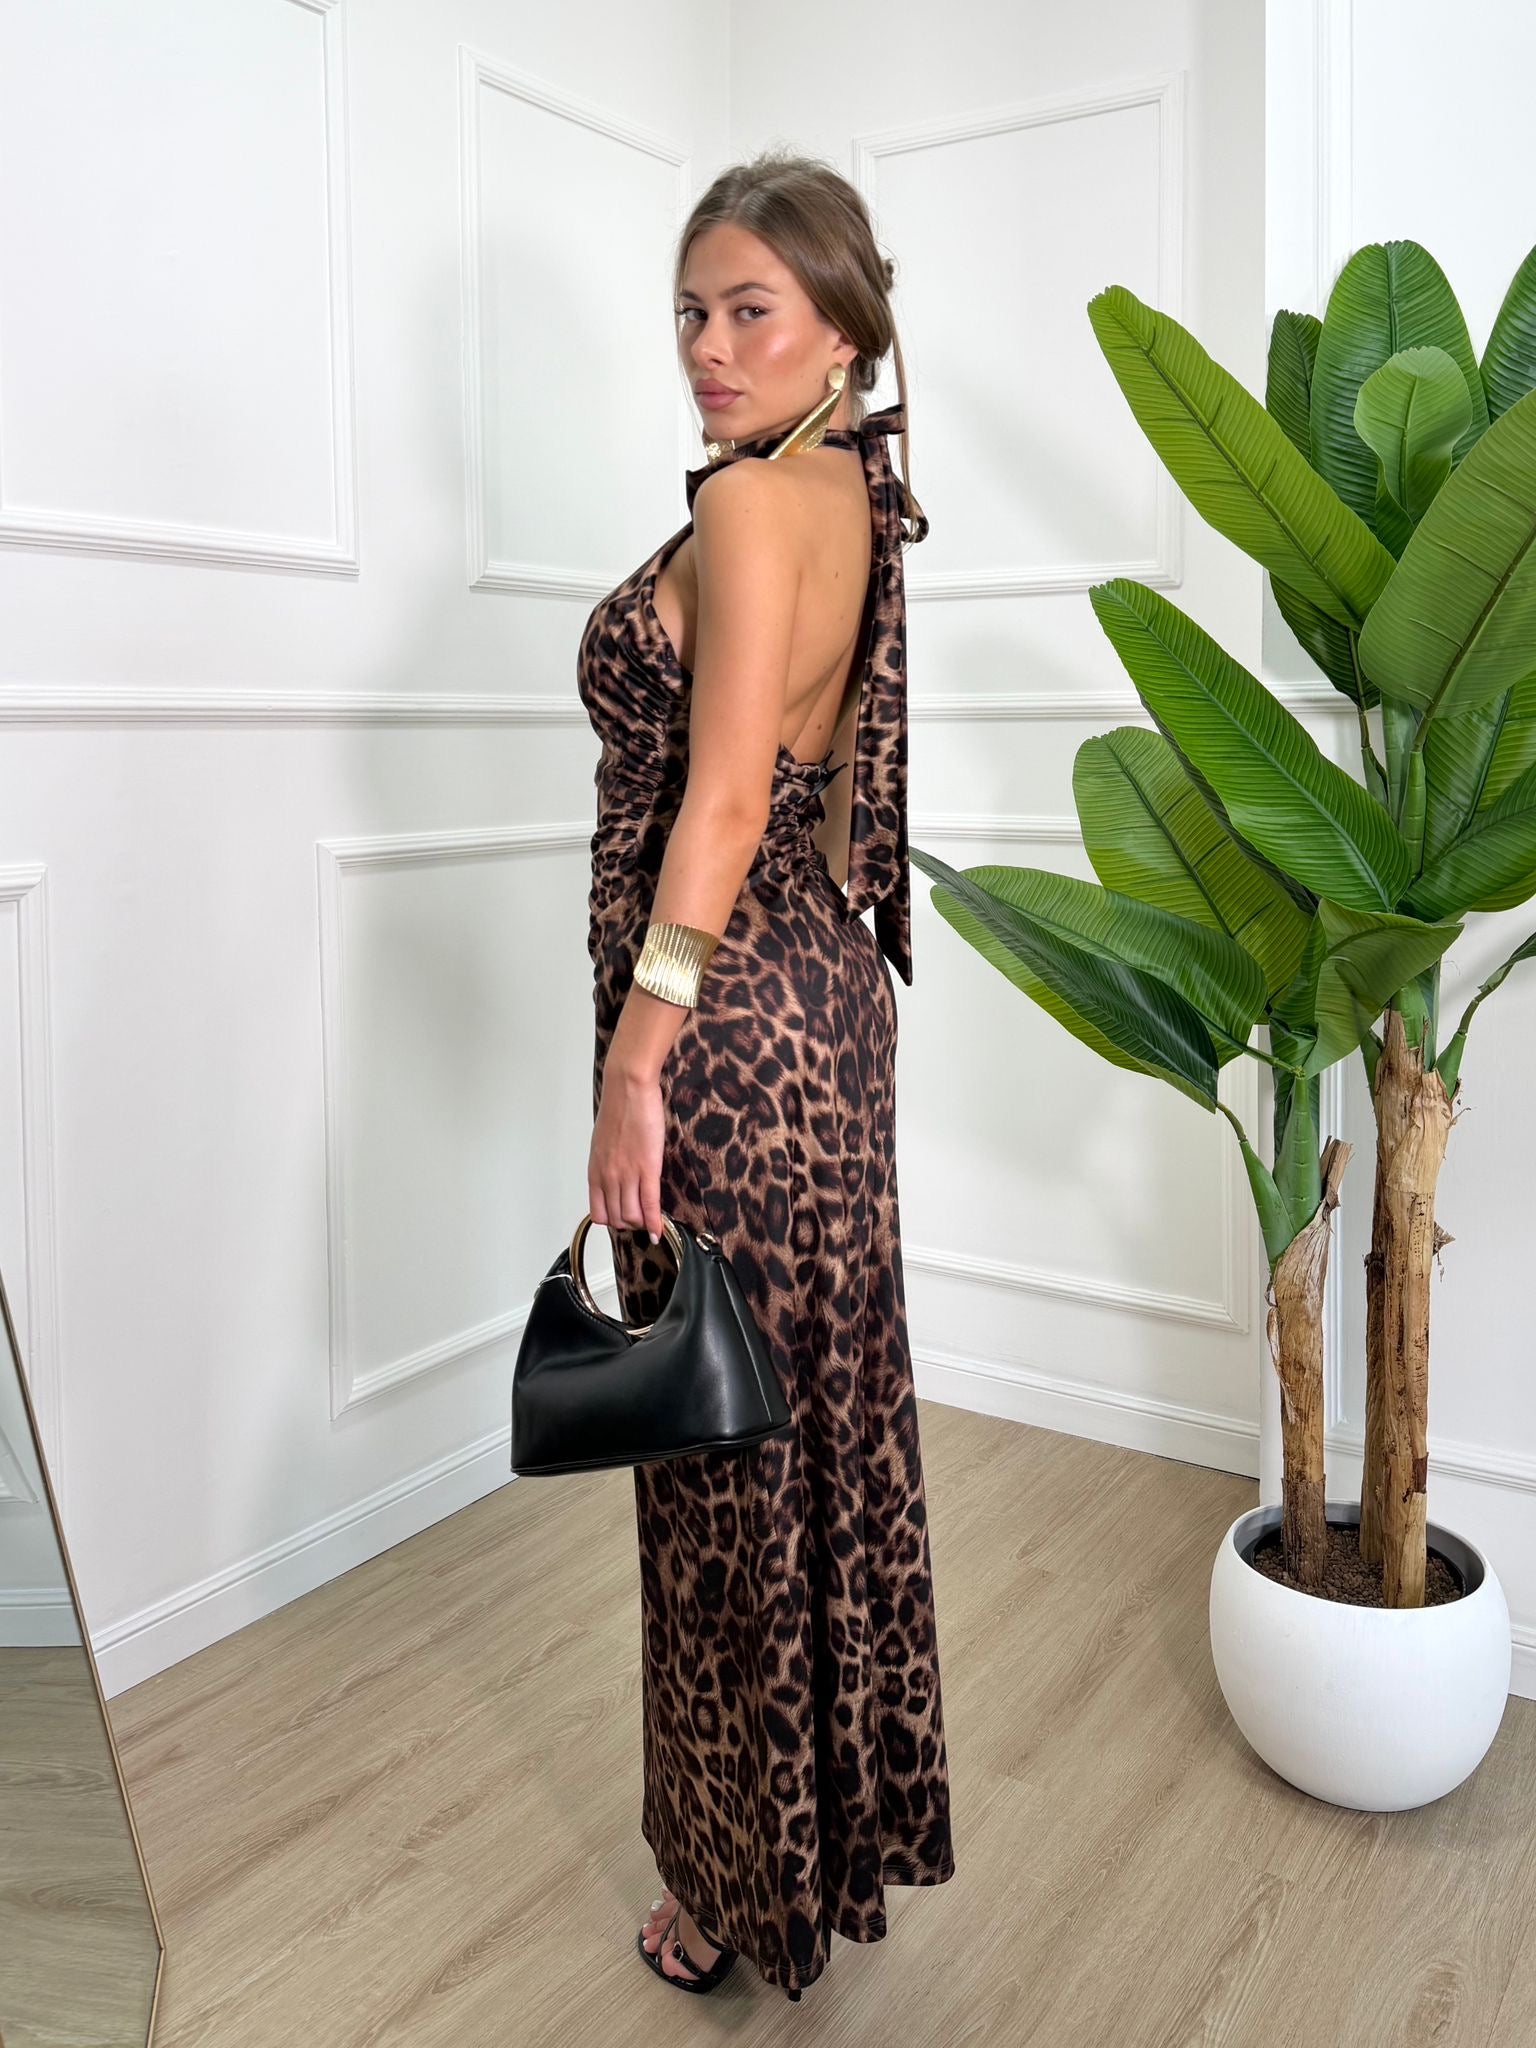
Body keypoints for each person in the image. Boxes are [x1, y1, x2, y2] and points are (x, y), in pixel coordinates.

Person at [578, 150, 955, 2004]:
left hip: (728, 1031)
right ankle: (811, 1850)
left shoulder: (747, 505)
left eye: (752, 311)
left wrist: (636, 1060)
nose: (709, 348)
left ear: (842, 334)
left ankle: (733, 1888)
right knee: (802, 1433)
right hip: (823, 1010)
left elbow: (724, 807)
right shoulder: (850, 496)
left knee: (721, 1463)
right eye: (692, 312)